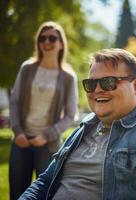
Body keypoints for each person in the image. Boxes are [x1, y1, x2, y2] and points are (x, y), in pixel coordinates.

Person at [19, 48, 136, 200]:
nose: (97, 89)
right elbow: (45, 182)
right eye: (91, 84)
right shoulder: (84, 127)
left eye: (108, 82)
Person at [9, 21, 78, 200]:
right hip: (20, 141)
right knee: (17, 193)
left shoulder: (68, 77)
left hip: (48, 145)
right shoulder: (27, 68)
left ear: (61, 43)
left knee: (46, 194)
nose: (46, 42)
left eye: (52, 38)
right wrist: (18, 132)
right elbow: (15, 102)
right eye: (42, 38)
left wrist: (47, 135)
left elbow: (70, 114)